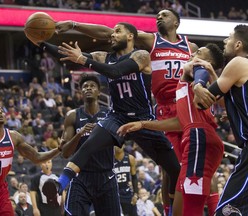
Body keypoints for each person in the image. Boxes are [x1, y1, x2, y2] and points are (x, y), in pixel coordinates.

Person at [54, 8, 199, 215]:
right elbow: (106, 33)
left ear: (177, 22)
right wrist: (69, 28)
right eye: (157, 14)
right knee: (168, 170)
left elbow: (202, 67)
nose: (159, 16)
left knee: (182, 168)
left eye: (165, 15)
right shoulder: (150, 41)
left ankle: (179, 209)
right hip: (157, 110)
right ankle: (60, 183)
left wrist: (204, 89)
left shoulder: (189, 46)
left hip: (176, 109)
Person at [28, 22, 180, 214]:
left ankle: (171, 210)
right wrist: (41, 43)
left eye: (118, 31)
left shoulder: (141, 55)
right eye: (112, 32)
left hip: (143, 119)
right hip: (117, 116)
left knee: (174, 169)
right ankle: (60, 184)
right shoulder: (103, 57)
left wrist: (84, 59)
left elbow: (115, 71)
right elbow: (65, 55)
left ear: (131, 36)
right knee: (89, 145)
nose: (113, 35)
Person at [117, 43, 225, 216]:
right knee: (181, 207)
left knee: (190, 208)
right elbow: (179, 122)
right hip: (199, 135)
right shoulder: (195, 79)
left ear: (208, 61)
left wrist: (198, 84)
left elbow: (200, 71)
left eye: (199, 53)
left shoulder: (196, 68)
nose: (194, 54)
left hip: (198, 137)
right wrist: (143, 124)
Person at [0, 104, 61, 216]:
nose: (0, 112)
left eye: (1, 111)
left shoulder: (14, 137)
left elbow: (36, 157)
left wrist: (59, 149)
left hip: (1, 191)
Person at [192, 24, 248, 216]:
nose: (225, 41)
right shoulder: (241, 69)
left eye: (229, 38)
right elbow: (225, 101)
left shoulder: (239, 62)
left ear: (239, 44)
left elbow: (202, 102)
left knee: (226, 211)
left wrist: (197, 84)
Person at [57, 74, 120, 216]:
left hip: (106, 175)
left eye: (92, 86)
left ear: (99, 91)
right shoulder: (73, 115)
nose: (88, 88)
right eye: (85, 86)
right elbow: (65, 153)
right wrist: (79, 134)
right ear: (80, 92)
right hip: (81, 177)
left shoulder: (110, 114)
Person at [114, 145, 138, 216]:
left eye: (120, 144)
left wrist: (136, 194)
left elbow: (134, 177)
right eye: (116, 144)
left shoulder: (130, 158)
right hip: (114, 192)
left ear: (123, 145)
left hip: (127, 192)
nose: (118, 146)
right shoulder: (109, 159)